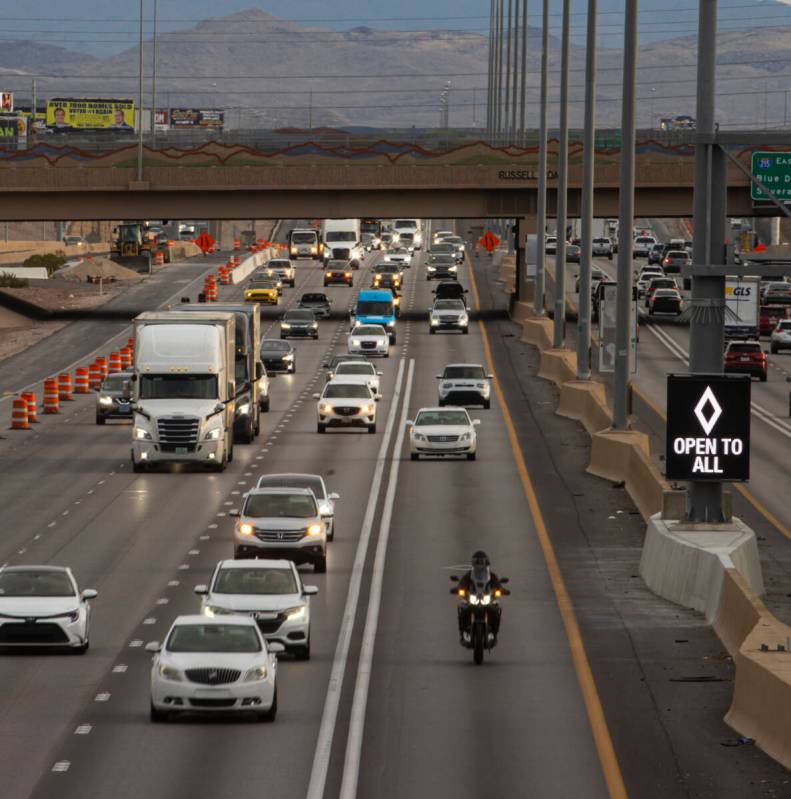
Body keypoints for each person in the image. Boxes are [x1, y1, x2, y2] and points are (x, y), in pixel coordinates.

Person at [454, 550, 507, 642]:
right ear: (473, 563)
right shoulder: (469, 575)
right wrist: (458, 589)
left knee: (495, 611)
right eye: (477, 561)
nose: (479, 564)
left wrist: (501, 590)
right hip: (472, 599)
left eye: (481, 561)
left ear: (486, 562)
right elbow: (462, 583)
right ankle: (464, 633)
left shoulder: (491, 575)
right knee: (463, 611)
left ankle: (493, 633)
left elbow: (497, 583)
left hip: (487, 599)